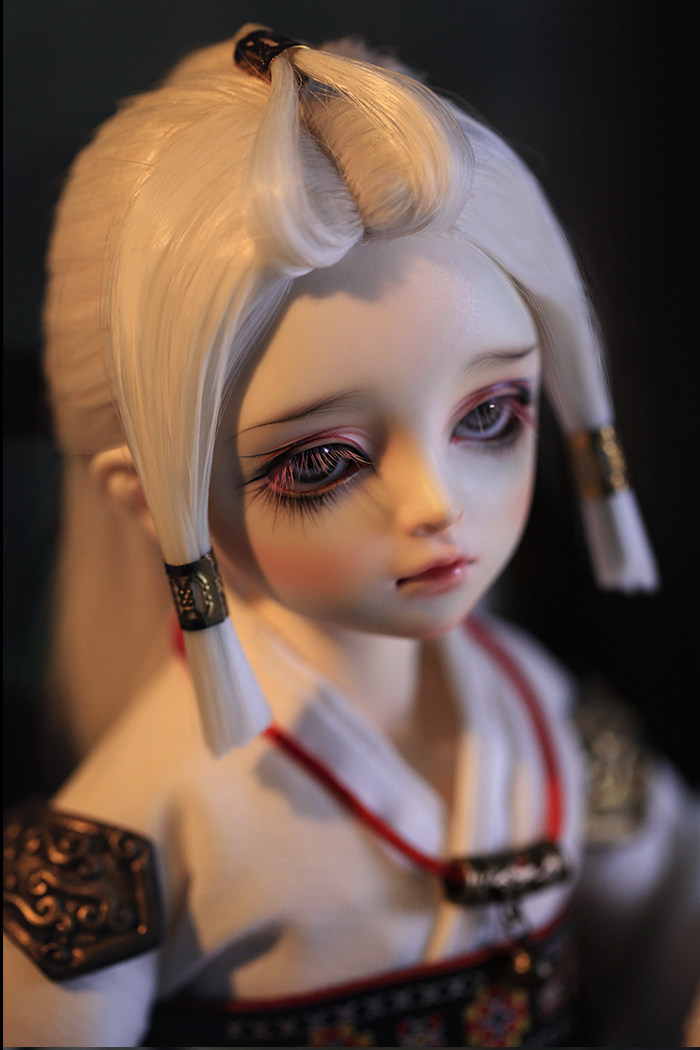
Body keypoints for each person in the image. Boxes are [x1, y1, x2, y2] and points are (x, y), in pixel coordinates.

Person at [3, 24, 698, 1048]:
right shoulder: (136, 831)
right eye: (323, 462)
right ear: (152, 498)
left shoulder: (540, 713)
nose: (435, 505)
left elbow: (673, 923)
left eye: (489, 416)